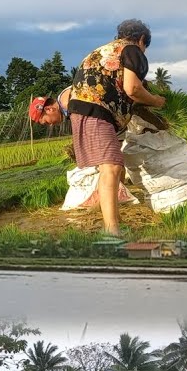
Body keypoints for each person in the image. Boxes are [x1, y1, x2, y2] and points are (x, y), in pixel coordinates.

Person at [67, 19, 167, 240]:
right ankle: (112, 231)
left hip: (84, 109)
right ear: (142, 40)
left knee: (111, 166)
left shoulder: (107, 50)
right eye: (145, 46)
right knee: (111, 167)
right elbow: (132, 88)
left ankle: (112, 221)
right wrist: (157, 101)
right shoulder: (132, 50)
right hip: (95, 110)